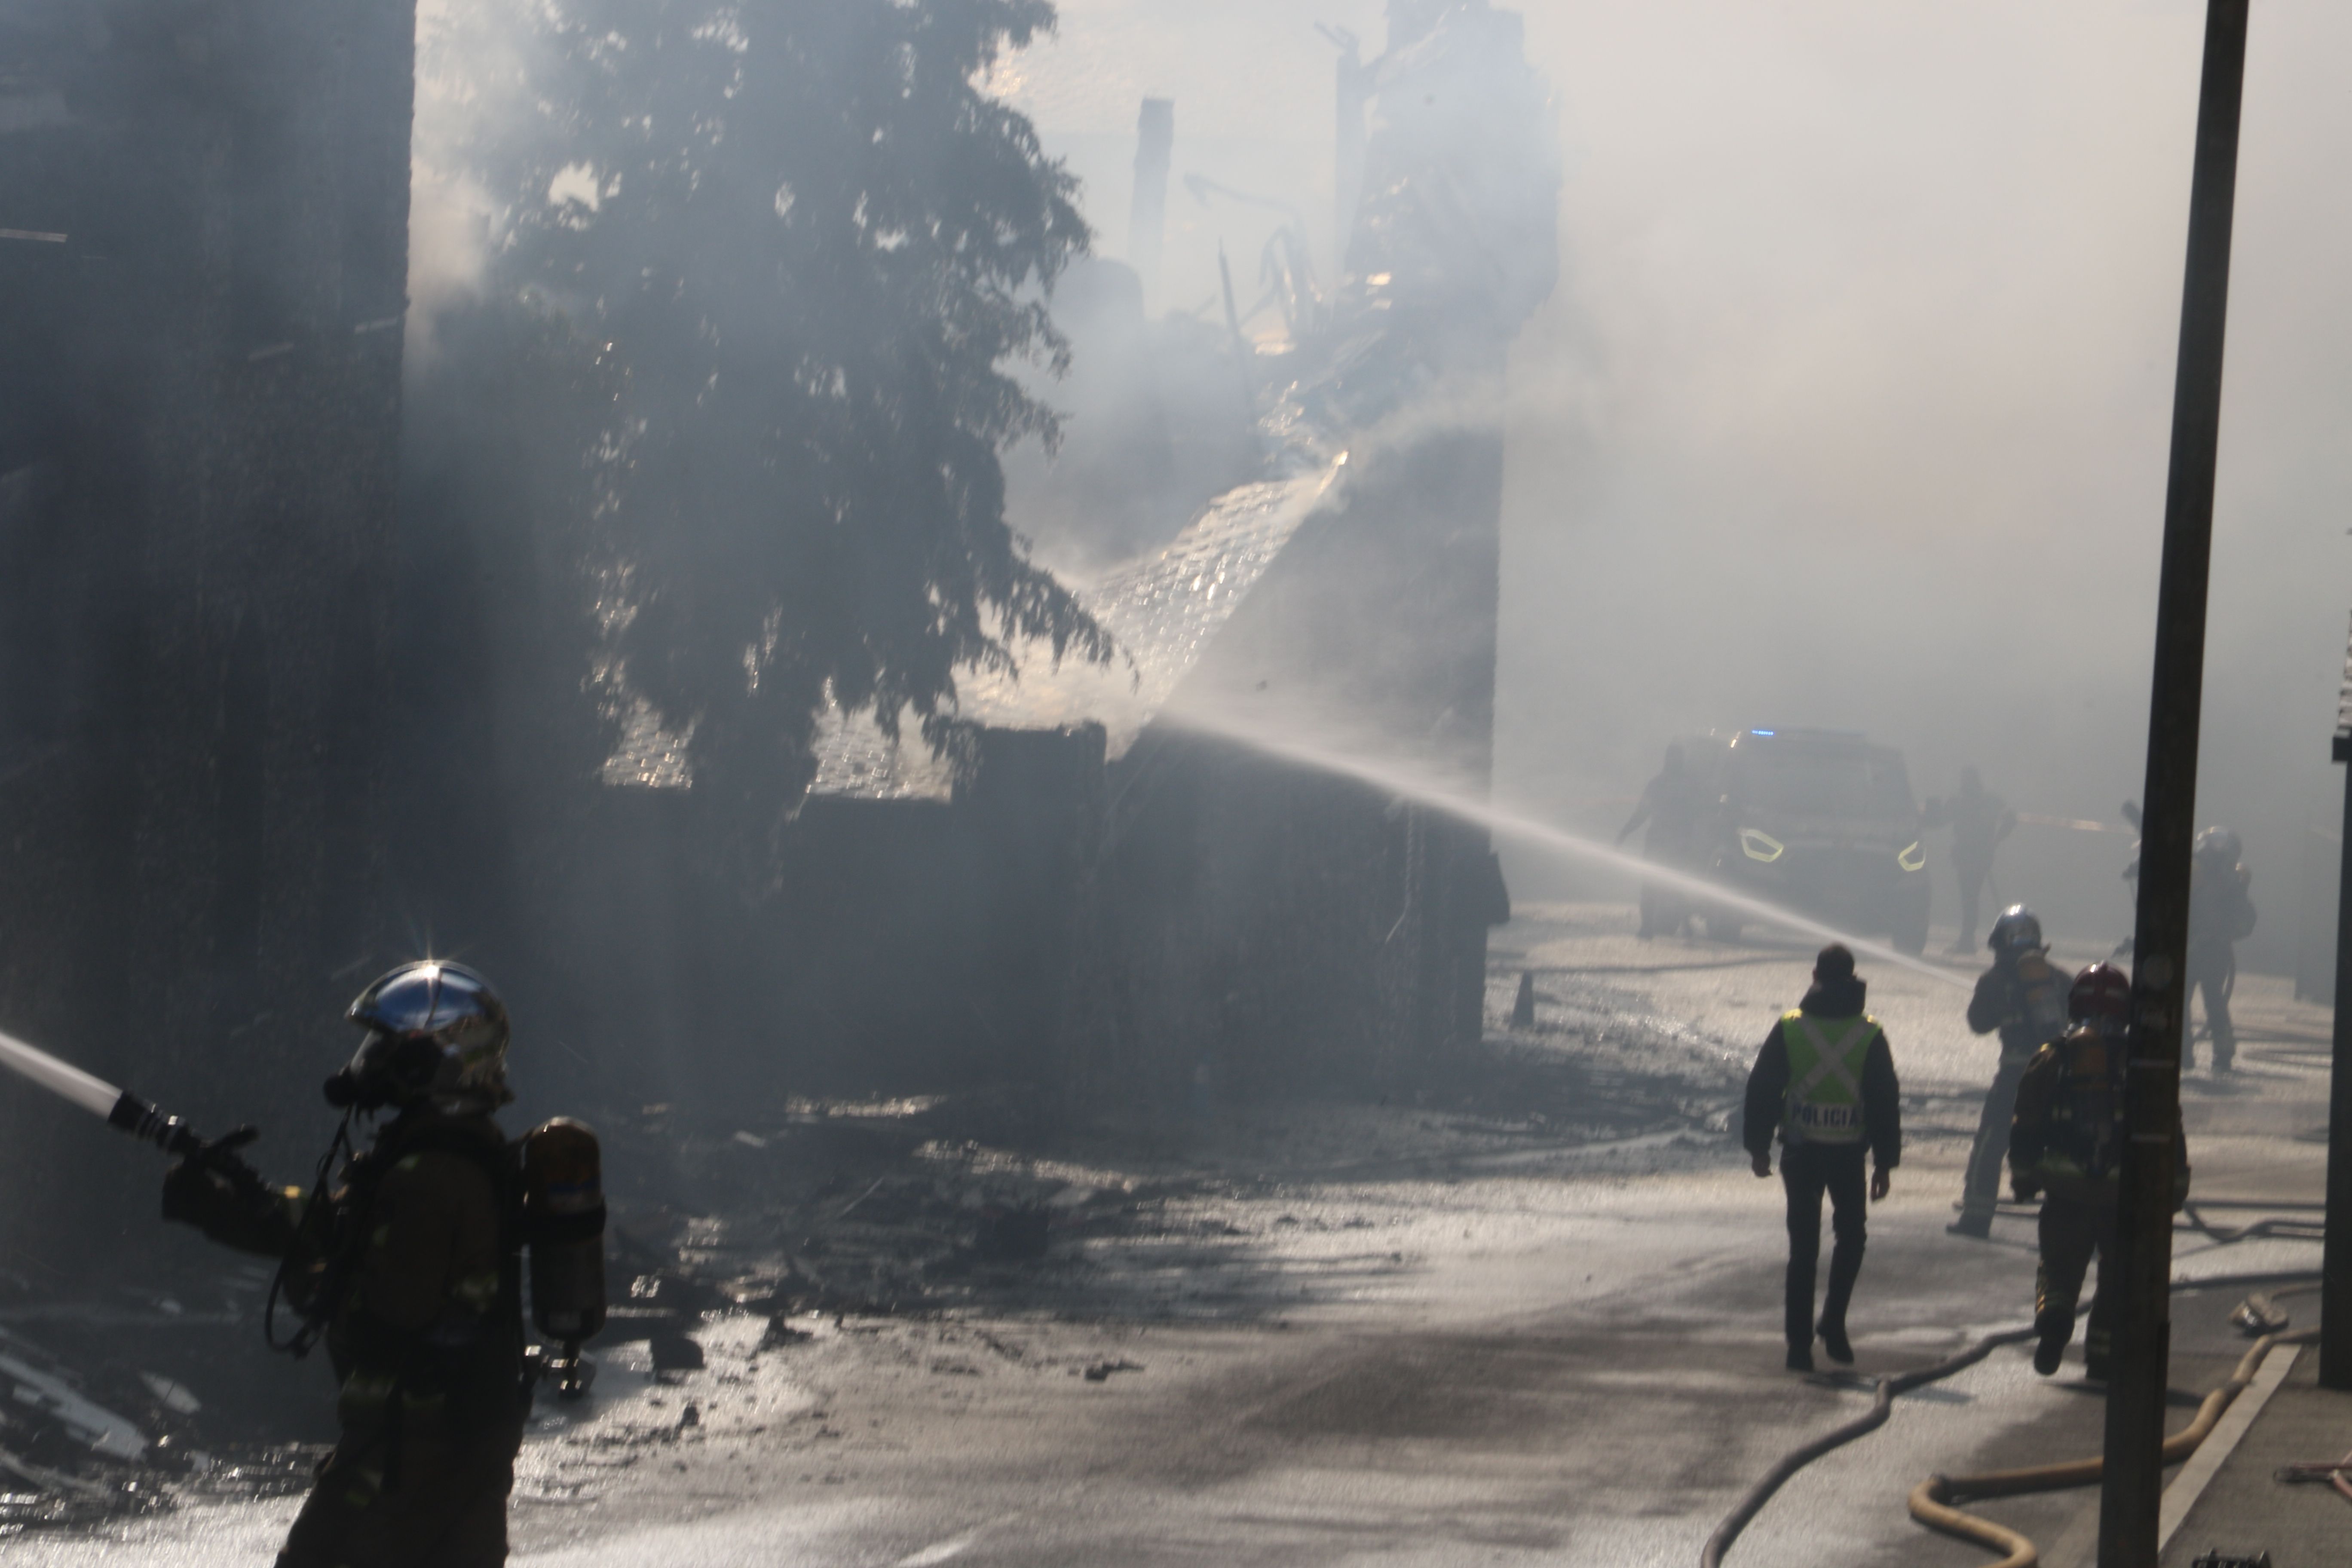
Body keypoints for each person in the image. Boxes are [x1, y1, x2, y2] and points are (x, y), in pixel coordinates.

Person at [160, 962, 530, 1567]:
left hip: (408, 1447)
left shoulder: (428, 1174)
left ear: (431, 1065)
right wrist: (231, 1200)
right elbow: (338, 1228)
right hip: (459, 1438)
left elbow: (391, 1316)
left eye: (388, 1050)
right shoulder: (443, 1153)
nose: (370, 1063)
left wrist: (320, 1291)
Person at [2009, 963, 2189, 1378]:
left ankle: (2054, 1318)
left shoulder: (2053, 1056)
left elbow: (2027, 1120)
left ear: (2074, 1005)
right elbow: (2169, 1128)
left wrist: (2023, 1176)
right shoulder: (2145, 1061)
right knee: (2118, 1277)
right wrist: (2174, 1190)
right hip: (2124, 1194)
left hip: (2065, 1187)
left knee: (2058, 1264)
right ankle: (2103, 1358)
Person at [1744, 944, 1901, 1372]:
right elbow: (1885, 1101)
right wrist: (1885, 1163)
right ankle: (1833, 1321)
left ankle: (1798, 1347)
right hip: (1848, 1156)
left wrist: (1758, 1146)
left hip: (1800, 1153)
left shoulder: (1790, 1028)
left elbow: (1762, 1089)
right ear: (1853, 980)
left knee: (1803, 1251)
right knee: (1852, 1240)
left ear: (1815, 975)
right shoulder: (1870, 1035)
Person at [1947, 906, 2072, 1240]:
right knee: (2063, 1147)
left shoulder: (1995, 980)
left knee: (1991, 1142)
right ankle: (2074, 1222)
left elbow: (1978, 1024)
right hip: (2058, 1074)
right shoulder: (2058, 977)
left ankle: (1976, 1217)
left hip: (2015, 1076)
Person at [2184, 827, 2257, 1074]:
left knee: (2207, 1000)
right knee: (2202, 1001)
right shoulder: (2217, 879)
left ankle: (2203, 1052)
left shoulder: (2232, 884)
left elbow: (2244, 920)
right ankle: (2198, 1052)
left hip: (2208, 948)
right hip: (2203, 948)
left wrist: (2222, 933)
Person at [1618, 742, 1706, 939]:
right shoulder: (1658, 785)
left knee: (1676, 885)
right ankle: (1647, 927)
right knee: (1650, 885)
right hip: (1660, 842)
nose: (1675, 761)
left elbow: (1697, 815)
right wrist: (1626, 832)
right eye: (1673, 757)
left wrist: (1693, 841)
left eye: (1678, 757)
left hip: (1677, 843)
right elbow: (1642, 813)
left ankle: (1685, 925)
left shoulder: (1686, 786)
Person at [1923, 766, 2016, 953]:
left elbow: (1937, 822)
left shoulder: (1962, 802)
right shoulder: (1988, 801)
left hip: (1971, 856)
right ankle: (1968, 940)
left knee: (1969, 899)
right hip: (1977, 855)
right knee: (1970, 898)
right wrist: (1994, 842)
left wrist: (1995, 842)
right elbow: (2011, 818)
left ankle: (1967, 941)